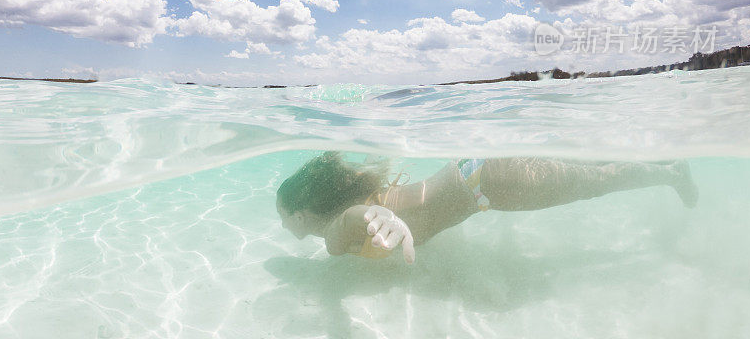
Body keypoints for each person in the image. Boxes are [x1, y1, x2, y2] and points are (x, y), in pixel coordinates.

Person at [276, 152, 699, 264]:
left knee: (594, 183)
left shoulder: (337, 235)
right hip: (475, 171)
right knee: (587, 174)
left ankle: (671, 172)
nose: (282, 225)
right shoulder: (358, 208)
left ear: (299, 214)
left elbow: (349, 223)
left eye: (282, 216)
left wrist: (377, 218)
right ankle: (667, 169)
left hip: (484, 183)